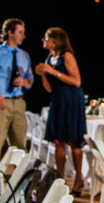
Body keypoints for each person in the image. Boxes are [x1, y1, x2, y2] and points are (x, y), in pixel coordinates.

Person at [34, 27, 86, 194]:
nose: (44, 40)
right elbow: (48, 88)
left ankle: (79, 179)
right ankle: (60, 179)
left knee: (73, 141)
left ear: (56, 40)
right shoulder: (49, 58)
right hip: (57, 100)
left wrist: (52, 72)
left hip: (71, 100)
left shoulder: (67, 56)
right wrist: (43, 74)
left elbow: (76, 81)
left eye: (46, 37)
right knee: (58, 141)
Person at [0, 18, 33, 167]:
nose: (23, 36)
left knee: (21, 146)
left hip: (18, 101)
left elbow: (30, 80)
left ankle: (19, 185)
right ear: (10, 33)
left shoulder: (24, 55)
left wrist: (25, 82)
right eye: (20, 32)